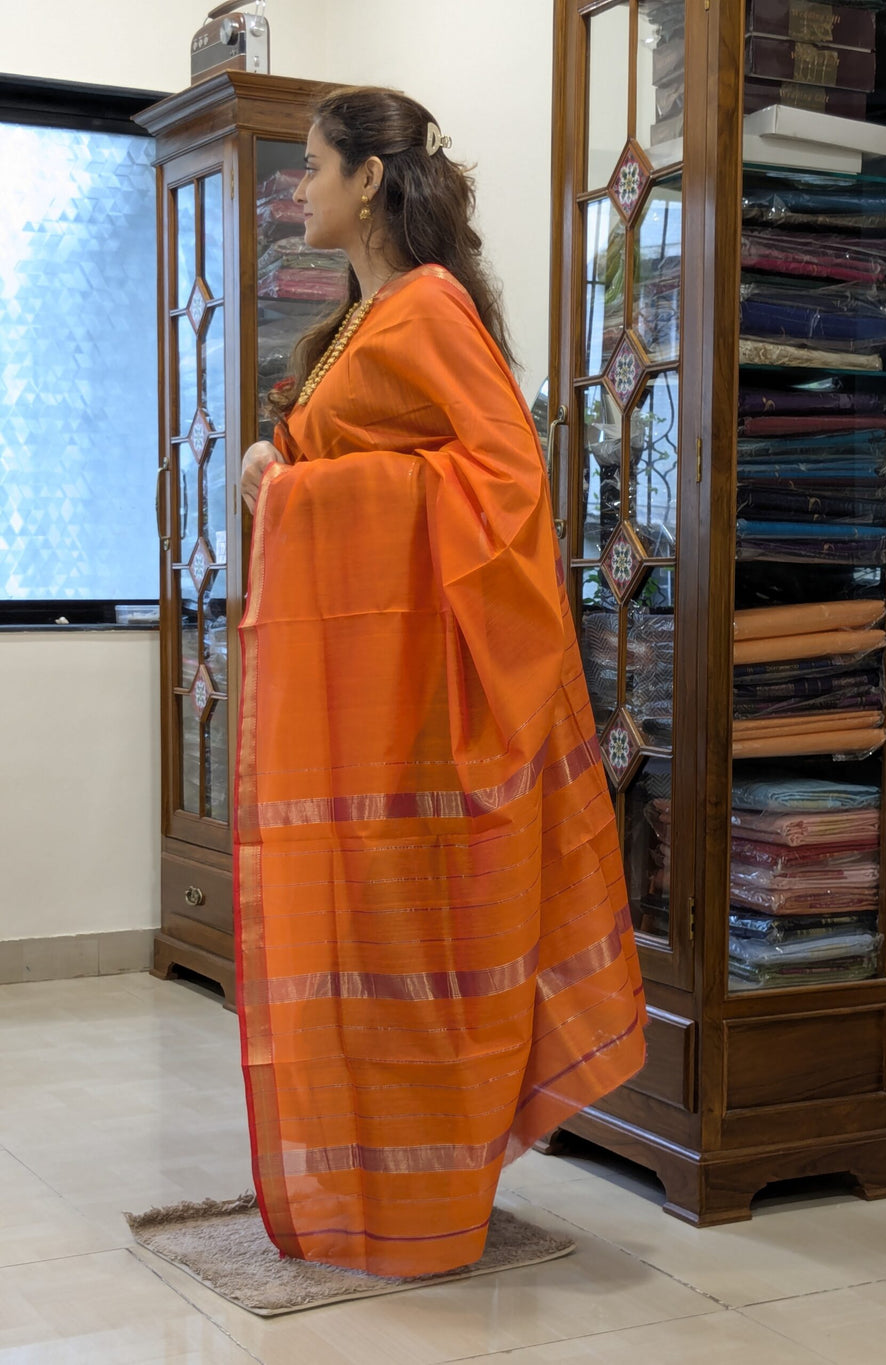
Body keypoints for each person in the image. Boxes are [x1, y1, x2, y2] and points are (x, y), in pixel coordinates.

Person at [235, 85, 647, 1279]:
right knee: (359, 943)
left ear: (367, 180)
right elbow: (358, 452)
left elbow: (506, 485)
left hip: (426, 697)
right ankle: (367, 1197)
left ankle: (429, 1214)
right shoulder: (353, 326)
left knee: (416, 950)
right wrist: (276, 463)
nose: (296, 190)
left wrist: (302, 492)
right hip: (362, 701)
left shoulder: (428, 307)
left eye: (312, 167)